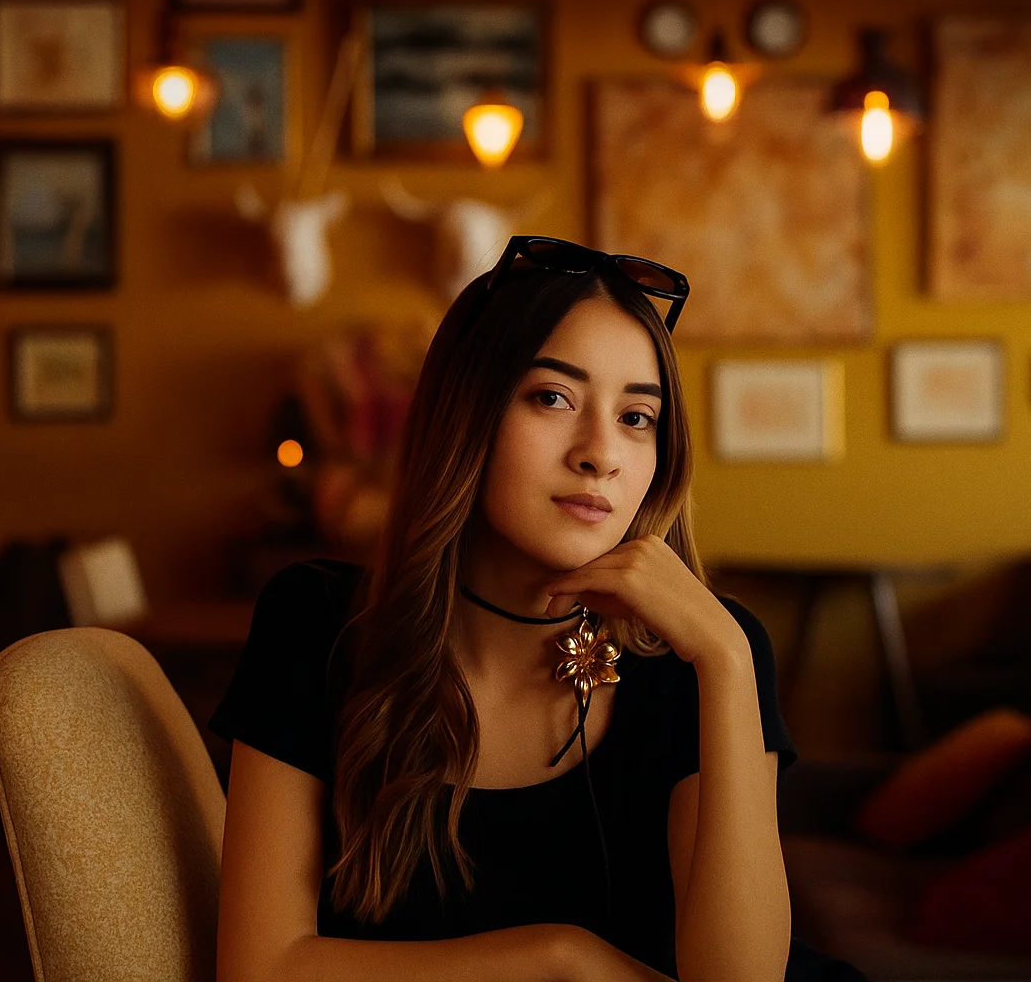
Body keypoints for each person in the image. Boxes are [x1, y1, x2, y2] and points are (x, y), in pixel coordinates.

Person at [208, 237, 869, 981]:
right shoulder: (319, 626)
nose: (601, 453)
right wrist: (560, 958)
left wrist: (725, 660)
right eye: (553, 398)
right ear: (469, 416)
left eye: (637, 417)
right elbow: (261, 968)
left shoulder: (700, 656)